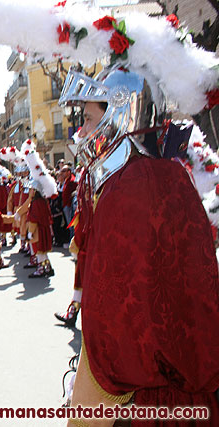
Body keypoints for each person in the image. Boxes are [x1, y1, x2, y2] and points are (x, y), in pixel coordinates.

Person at [60, 66, 219, 422]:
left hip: (141, 397)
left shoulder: (133, 183)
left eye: (87, 118)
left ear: (119, 112)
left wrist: (90, 395)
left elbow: (119, 320)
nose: (81, 131)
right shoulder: (163, 174)